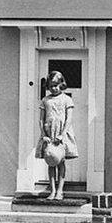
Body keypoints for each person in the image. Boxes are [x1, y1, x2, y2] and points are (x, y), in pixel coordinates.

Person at [34, 70, 78, 200]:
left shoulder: (66, 99)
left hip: (61, 134)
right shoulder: (45, 100)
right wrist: (43, 134)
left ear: (61, 84)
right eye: (51, 85)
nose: (54, 88)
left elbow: (69, 119)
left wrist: (62, 135)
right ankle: (52, 190)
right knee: (51, 161)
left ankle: (60, 191)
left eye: (56, 85)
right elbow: (41, 119)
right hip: (49, 134)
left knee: (61, 162)